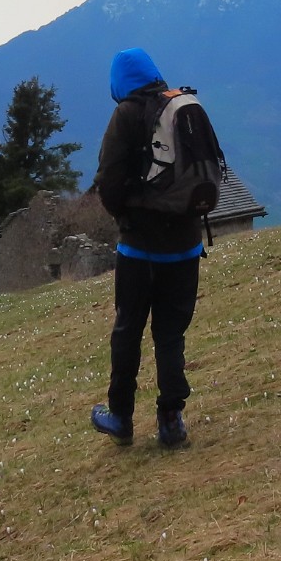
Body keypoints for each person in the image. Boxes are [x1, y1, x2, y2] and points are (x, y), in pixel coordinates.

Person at [91, 47, 202, 449]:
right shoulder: (180, 105)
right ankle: (171, 421)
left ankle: (120, 417)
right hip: (187, 246)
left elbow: (109, 179)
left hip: (140, 250)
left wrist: (126, 218)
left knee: (128, 330)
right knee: (171, 335)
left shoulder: (127, 114)